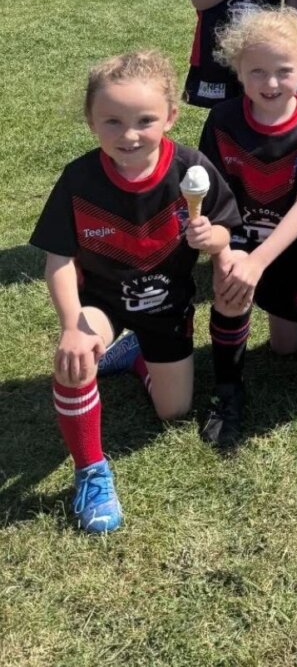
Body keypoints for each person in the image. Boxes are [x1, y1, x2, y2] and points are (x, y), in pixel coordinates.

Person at [29, 51, 239, 532]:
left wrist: (214, 239)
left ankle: (135, 355)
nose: (129, 135)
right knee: (76, 358)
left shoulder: (191, 168)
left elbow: (227, 232)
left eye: (145, 120)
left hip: (168, 304)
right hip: (102, 302)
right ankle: (91, 470)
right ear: (90, 121)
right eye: (113, 121)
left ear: (170, 115)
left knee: (175, 411)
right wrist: (71, 326)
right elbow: (59, 260)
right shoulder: (79, 179)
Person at [196, 8, 297, 448]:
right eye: (257, 71)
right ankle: (227, 391)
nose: (271, 83)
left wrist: (260, 260)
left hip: (290, 246)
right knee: (229, 279)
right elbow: (212, 203)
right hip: (238, 240)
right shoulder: (222, 120)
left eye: (283, 71)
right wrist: (229, 255)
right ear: (237, 71)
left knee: (287, 347)